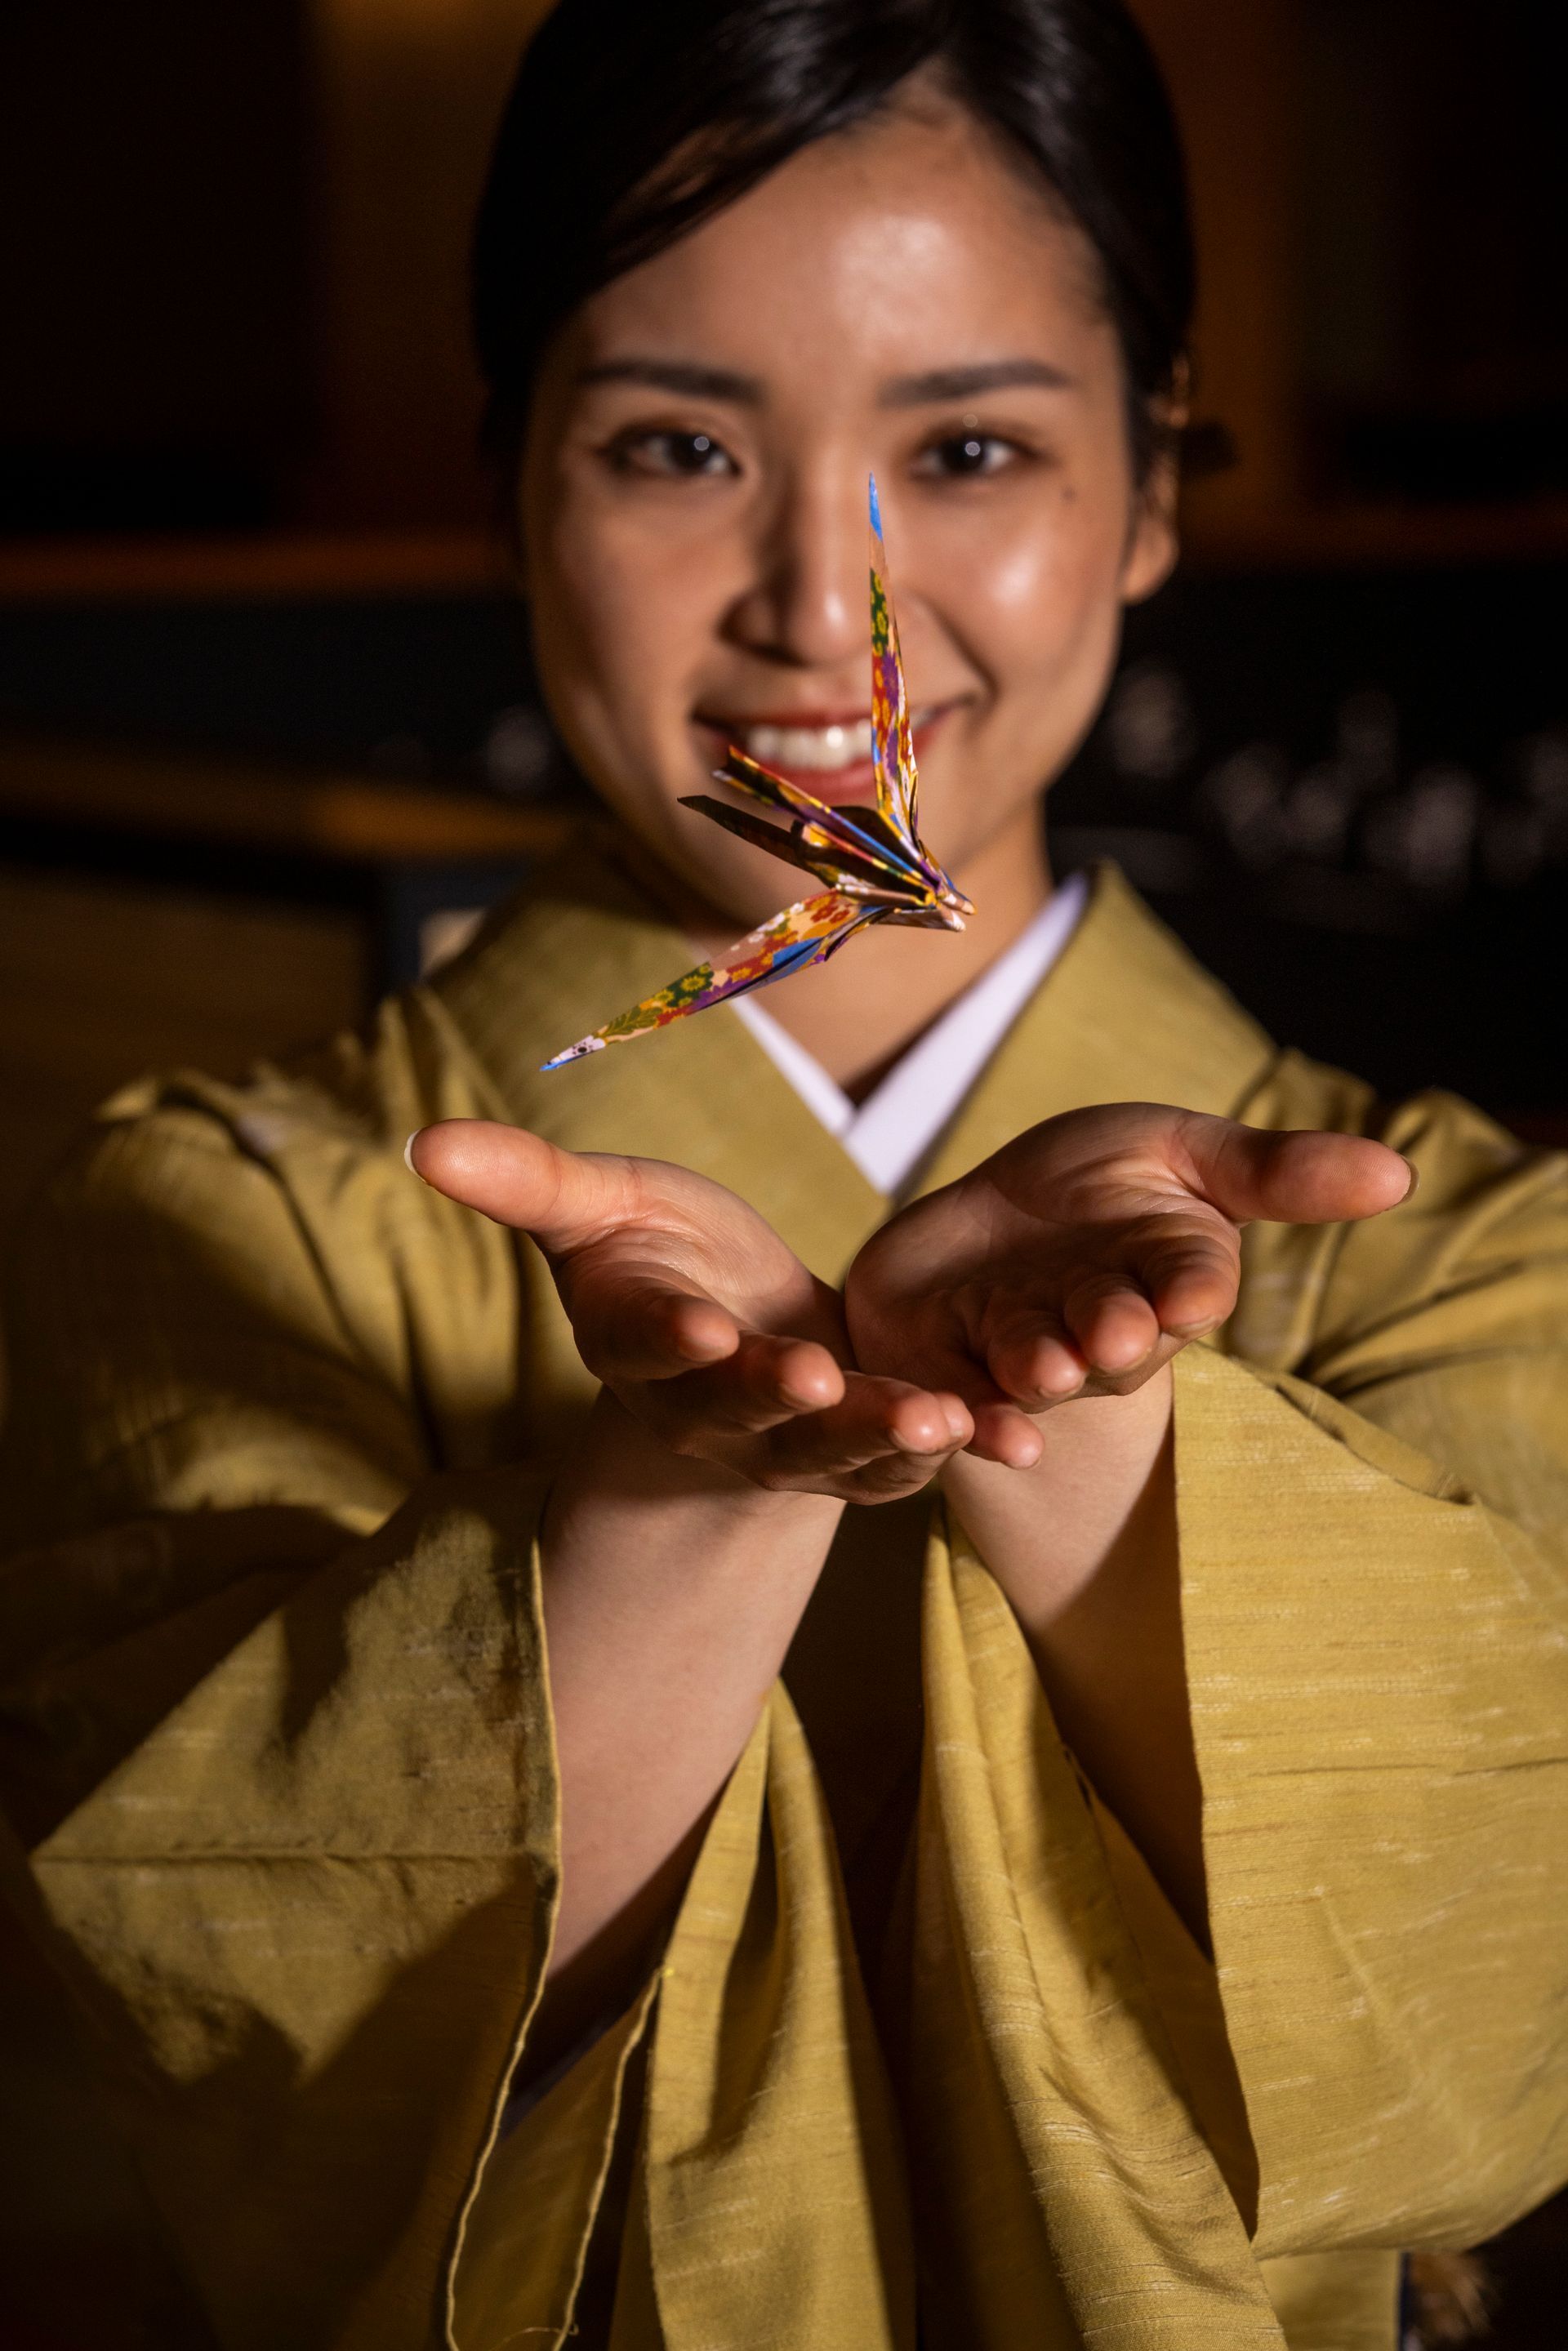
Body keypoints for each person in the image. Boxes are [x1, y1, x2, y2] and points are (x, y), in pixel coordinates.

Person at [2, 2, 1565, 2345]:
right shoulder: (221, 1224)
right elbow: (234, 2038)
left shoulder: (1472, 1246)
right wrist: (692, 1483)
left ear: (1149, 488)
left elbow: (1498, 2001)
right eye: (670, 444)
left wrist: (1096, 1426)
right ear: (511, 474)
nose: (827, 607)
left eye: (964, 445)